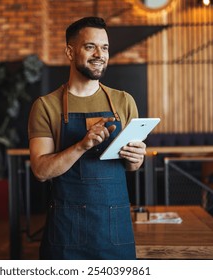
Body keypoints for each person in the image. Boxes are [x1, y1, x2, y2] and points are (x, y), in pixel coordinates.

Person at [28, 16, 146, 260]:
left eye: (104, 47)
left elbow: (133, 166)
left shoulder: (124, 102)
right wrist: (81, 146)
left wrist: (136, 159)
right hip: (66, 230)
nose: (99, 54)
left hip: (115, 229)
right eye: (90, 46)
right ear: (70, 52)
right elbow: (40, 171)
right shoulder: (46, 106)